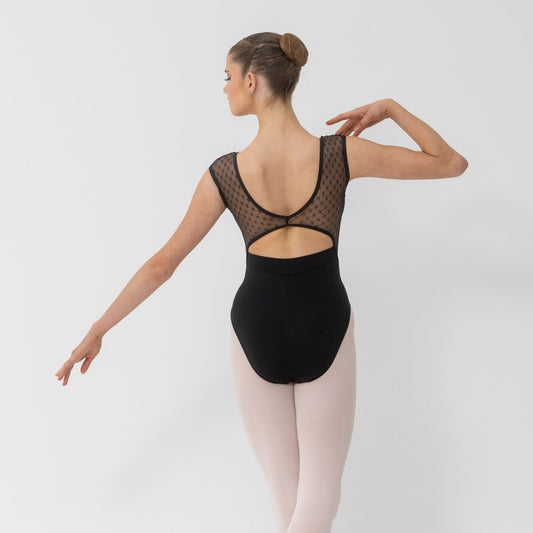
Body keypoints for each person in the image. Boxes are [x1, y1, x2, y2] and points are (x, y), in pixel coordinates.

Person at [55, 31, 468, 533]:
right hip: (324, 320)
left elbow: (163, 265)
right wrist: (391, 109)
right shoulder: (341, 154)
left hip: (256, 326)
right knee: (319, 498)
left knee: (286, 498)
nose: (224, 87)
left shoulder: (225, 174)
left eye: (227, 77)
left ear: (251, 81)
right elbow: (450, 163)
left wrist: (98, 329)